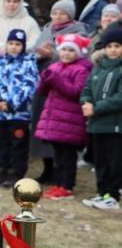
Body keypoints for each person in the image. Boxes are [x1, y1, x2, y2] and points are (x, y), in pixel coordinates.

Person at [37, 34, 94, 200]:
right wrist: (45, 78)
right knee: (58, 154)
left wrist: (55, 79)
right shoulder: (55, 67)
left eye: (71, 50)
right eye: (64, 50)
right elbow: (42, 91)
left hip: (70, 120)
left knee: (68, 155)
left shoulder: (81, 70)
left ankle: (67, 185)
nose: (66, 54)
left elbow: (75, 92)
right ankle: (58, 183)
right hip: (55, 119)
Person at [0, 29, 40, 186]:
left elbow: (30, 86)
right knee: (1, 142)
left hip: (18, 114)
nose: (14, 47)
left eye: (18, 44)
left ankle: (17, 172)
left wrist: (13, 103)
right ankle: (2, 169)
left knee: (18, 143)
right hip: (0, 114)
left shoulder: (28, 63)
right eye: (11, 43)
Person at [80, 23, 122, 210]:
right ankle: (101, 192)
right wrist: (86, 103)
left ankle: (112, 195)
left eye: (117, 46)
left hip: (115, 125)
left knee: (114, 161)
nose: (113, 50)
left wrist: (96, 108)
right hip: (96, 124)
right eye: (109, 46)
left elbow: (119, 98)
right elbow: (87, 89)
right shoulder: (98, 68)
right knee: (100, 160)